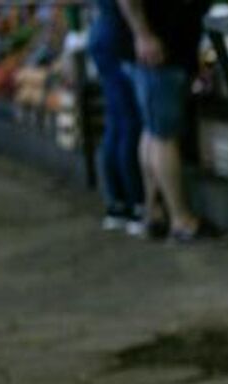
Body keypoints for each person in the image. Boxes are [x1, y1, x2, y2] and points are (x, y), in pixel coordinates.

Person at [116, 0, 214, 242]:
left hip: (162, 50)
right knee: (164, 136)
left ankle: (155, 213)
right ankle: (181, 221)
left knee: (152, 131)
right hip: (159, 53)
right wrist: (144, 35)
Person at [87, 0, 142, 232]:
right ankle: (135, 203)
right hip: (118, 36)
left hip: (104, 31)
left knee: (116, 122)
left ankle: (117, 202)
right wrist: (143, 34)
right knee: (129, 123)